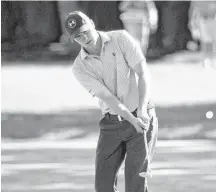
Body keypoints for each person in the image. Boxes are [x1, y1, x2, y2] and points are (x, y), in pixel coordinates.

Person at [64, 11, 158, 192]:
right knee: (103, 186)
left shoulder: (121, 39)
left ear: (91, 22)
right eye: (77, 37)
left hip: (142, 116)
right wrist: (131, 119)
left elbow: (143, 73)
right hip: (112, 124)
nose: (84, 38)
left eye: (85, 31)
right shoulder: (80, 67)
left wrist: (142, 112)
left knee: (135, 186)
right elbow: (109, 98)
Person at [189, 1, 216, 68]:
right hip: (203, 20)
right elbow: (193, 8)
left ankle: (212, 60)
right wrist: (192, 22)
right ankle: (206, 60)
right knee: (206, 41)